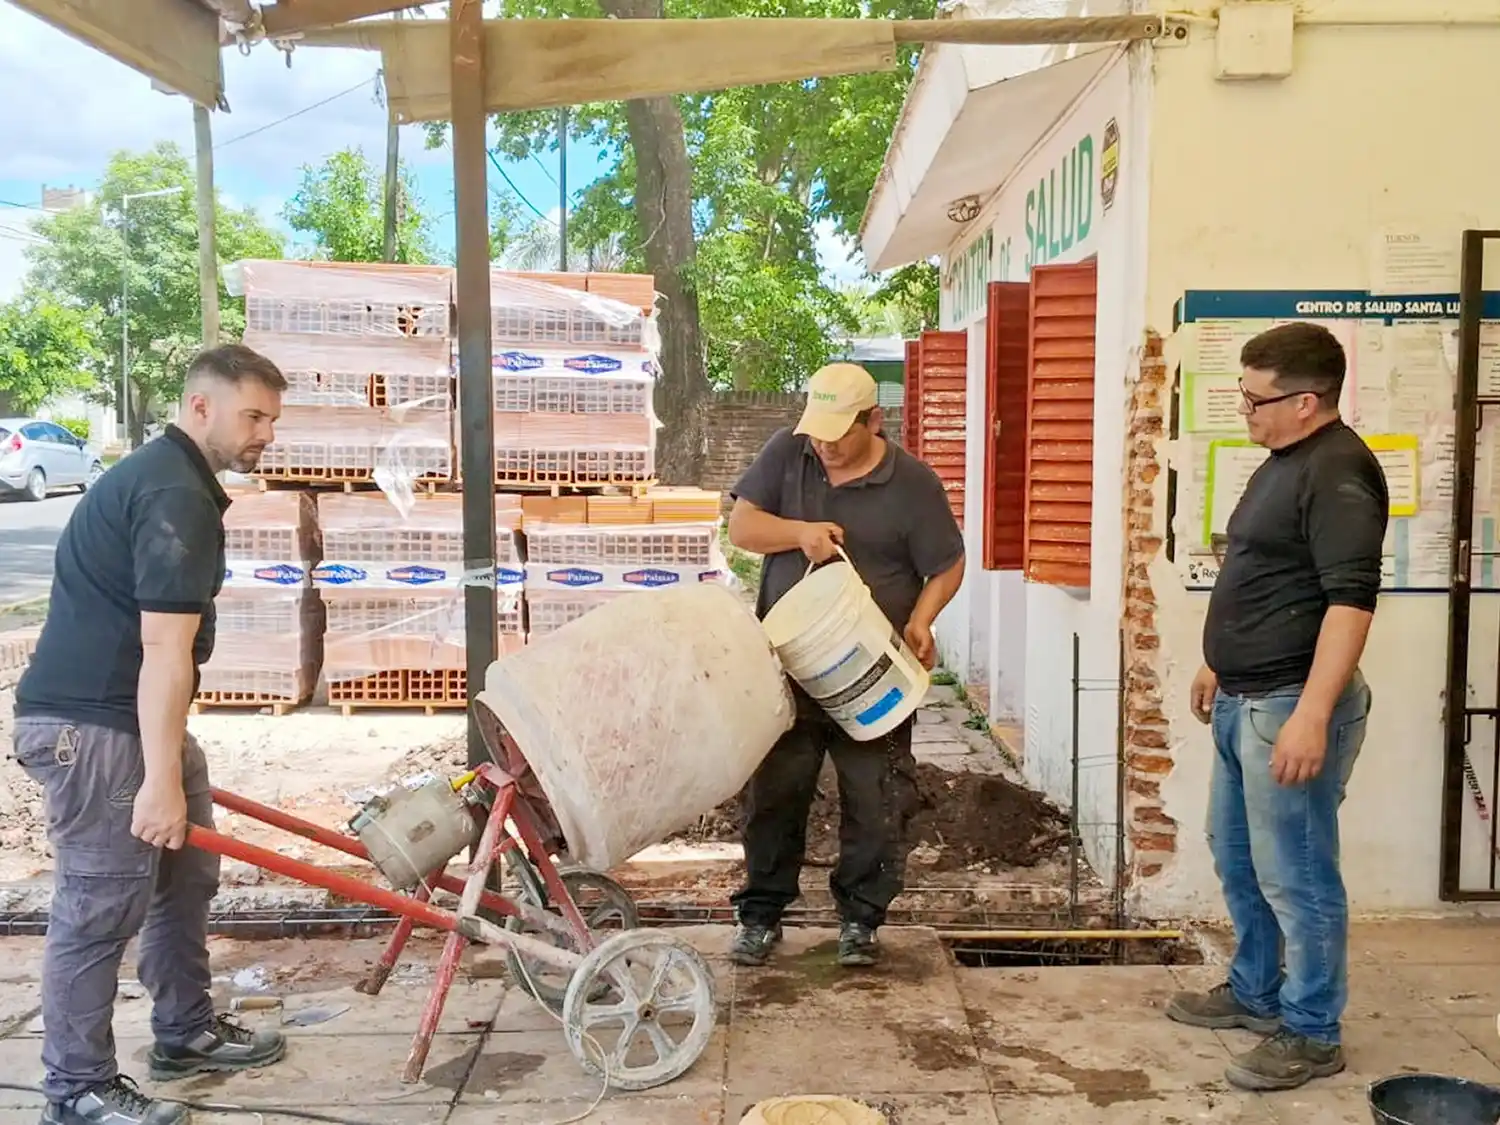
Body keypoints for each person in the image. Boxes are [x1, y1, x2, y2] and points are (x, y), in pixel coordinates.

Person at [12, 345, 289, 1125]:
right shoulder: (173, 491)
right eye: (253, 415)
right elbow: (165, 645)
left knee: (184, 875)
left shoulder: (172, 479)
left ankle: (185, 1029)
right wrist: (158, 781)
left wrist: (169, 763)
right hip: (96, 729)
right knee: (99, 904)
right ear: (201, 406)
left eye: (272, 419)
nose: (266, 433)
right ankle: (76, 1089)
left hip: (130, 718)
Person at [1167, 322, 1386, 1092]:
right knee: (1236, 853)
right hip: (1244, 697)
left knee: (1298, 872)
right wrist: (1217, 660)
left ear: (1305, 401)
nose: (1244, 410)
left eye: (1254, 399)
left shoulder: (1341, 471)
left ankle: (1313, 1028)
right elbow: (1263, 574)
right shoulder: (1283, 463)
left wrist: (1313, 713)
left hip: (1289, 704)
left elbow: (1350, 602)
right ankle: (1256, 990)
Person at [725, 362, 966, 968]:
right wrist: (799, 533)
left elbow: (947, 563)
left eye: (838, 434)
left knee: (876, 799)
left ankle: (861, 920)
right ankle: (760, 915)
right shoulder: (788, 453)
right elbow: (742, 528)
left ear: (873, 421)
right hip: (790, 669)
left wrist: (922, 620)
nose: (824, 446)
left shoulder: (912, 484)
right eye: (817, 432)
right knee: (774, 797)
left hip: (872, 674)